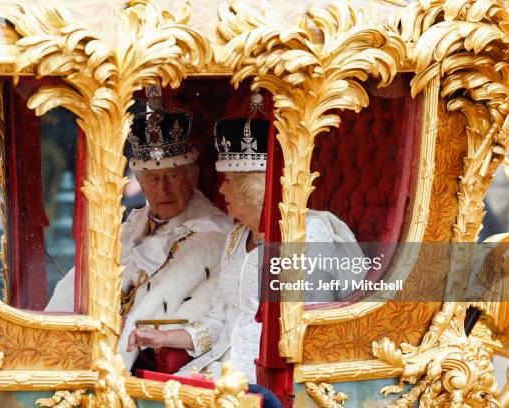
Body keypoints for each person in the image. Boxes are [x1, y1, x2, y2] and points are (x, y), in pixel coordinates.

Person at [126, 96, 365, 407]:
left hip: (270, 381)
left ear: (252, 188)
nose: (221, 190)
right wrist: (165, 337)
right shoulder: (237, 236)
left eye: (228, 182)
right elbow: (220, 320)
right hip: (219, 370)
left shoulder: (307, 232)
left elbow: (309, 333)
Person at [46, 96, 232, 371]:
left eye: (172, 177)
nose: (163, 190)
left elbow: (208, 320)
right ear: (141, 184)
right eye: (154, 180)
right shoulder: (128, 228)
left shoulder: (216, 236)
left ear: (192, 177)